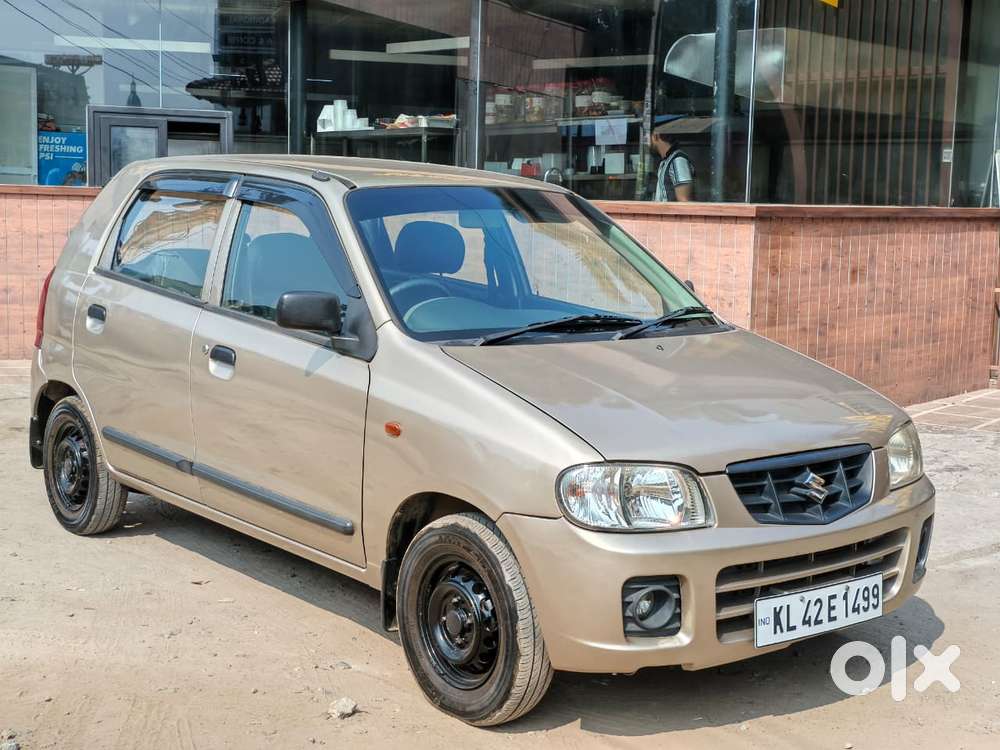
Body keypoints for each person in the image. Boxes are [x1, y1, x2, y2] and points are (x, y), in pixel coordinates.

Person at [649, 123, 694, 202]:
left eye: (650, 137)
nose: (649, 142)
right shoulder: (666, 160)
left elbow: (684, 201)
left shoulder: (678, 160)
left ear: (656, 136)